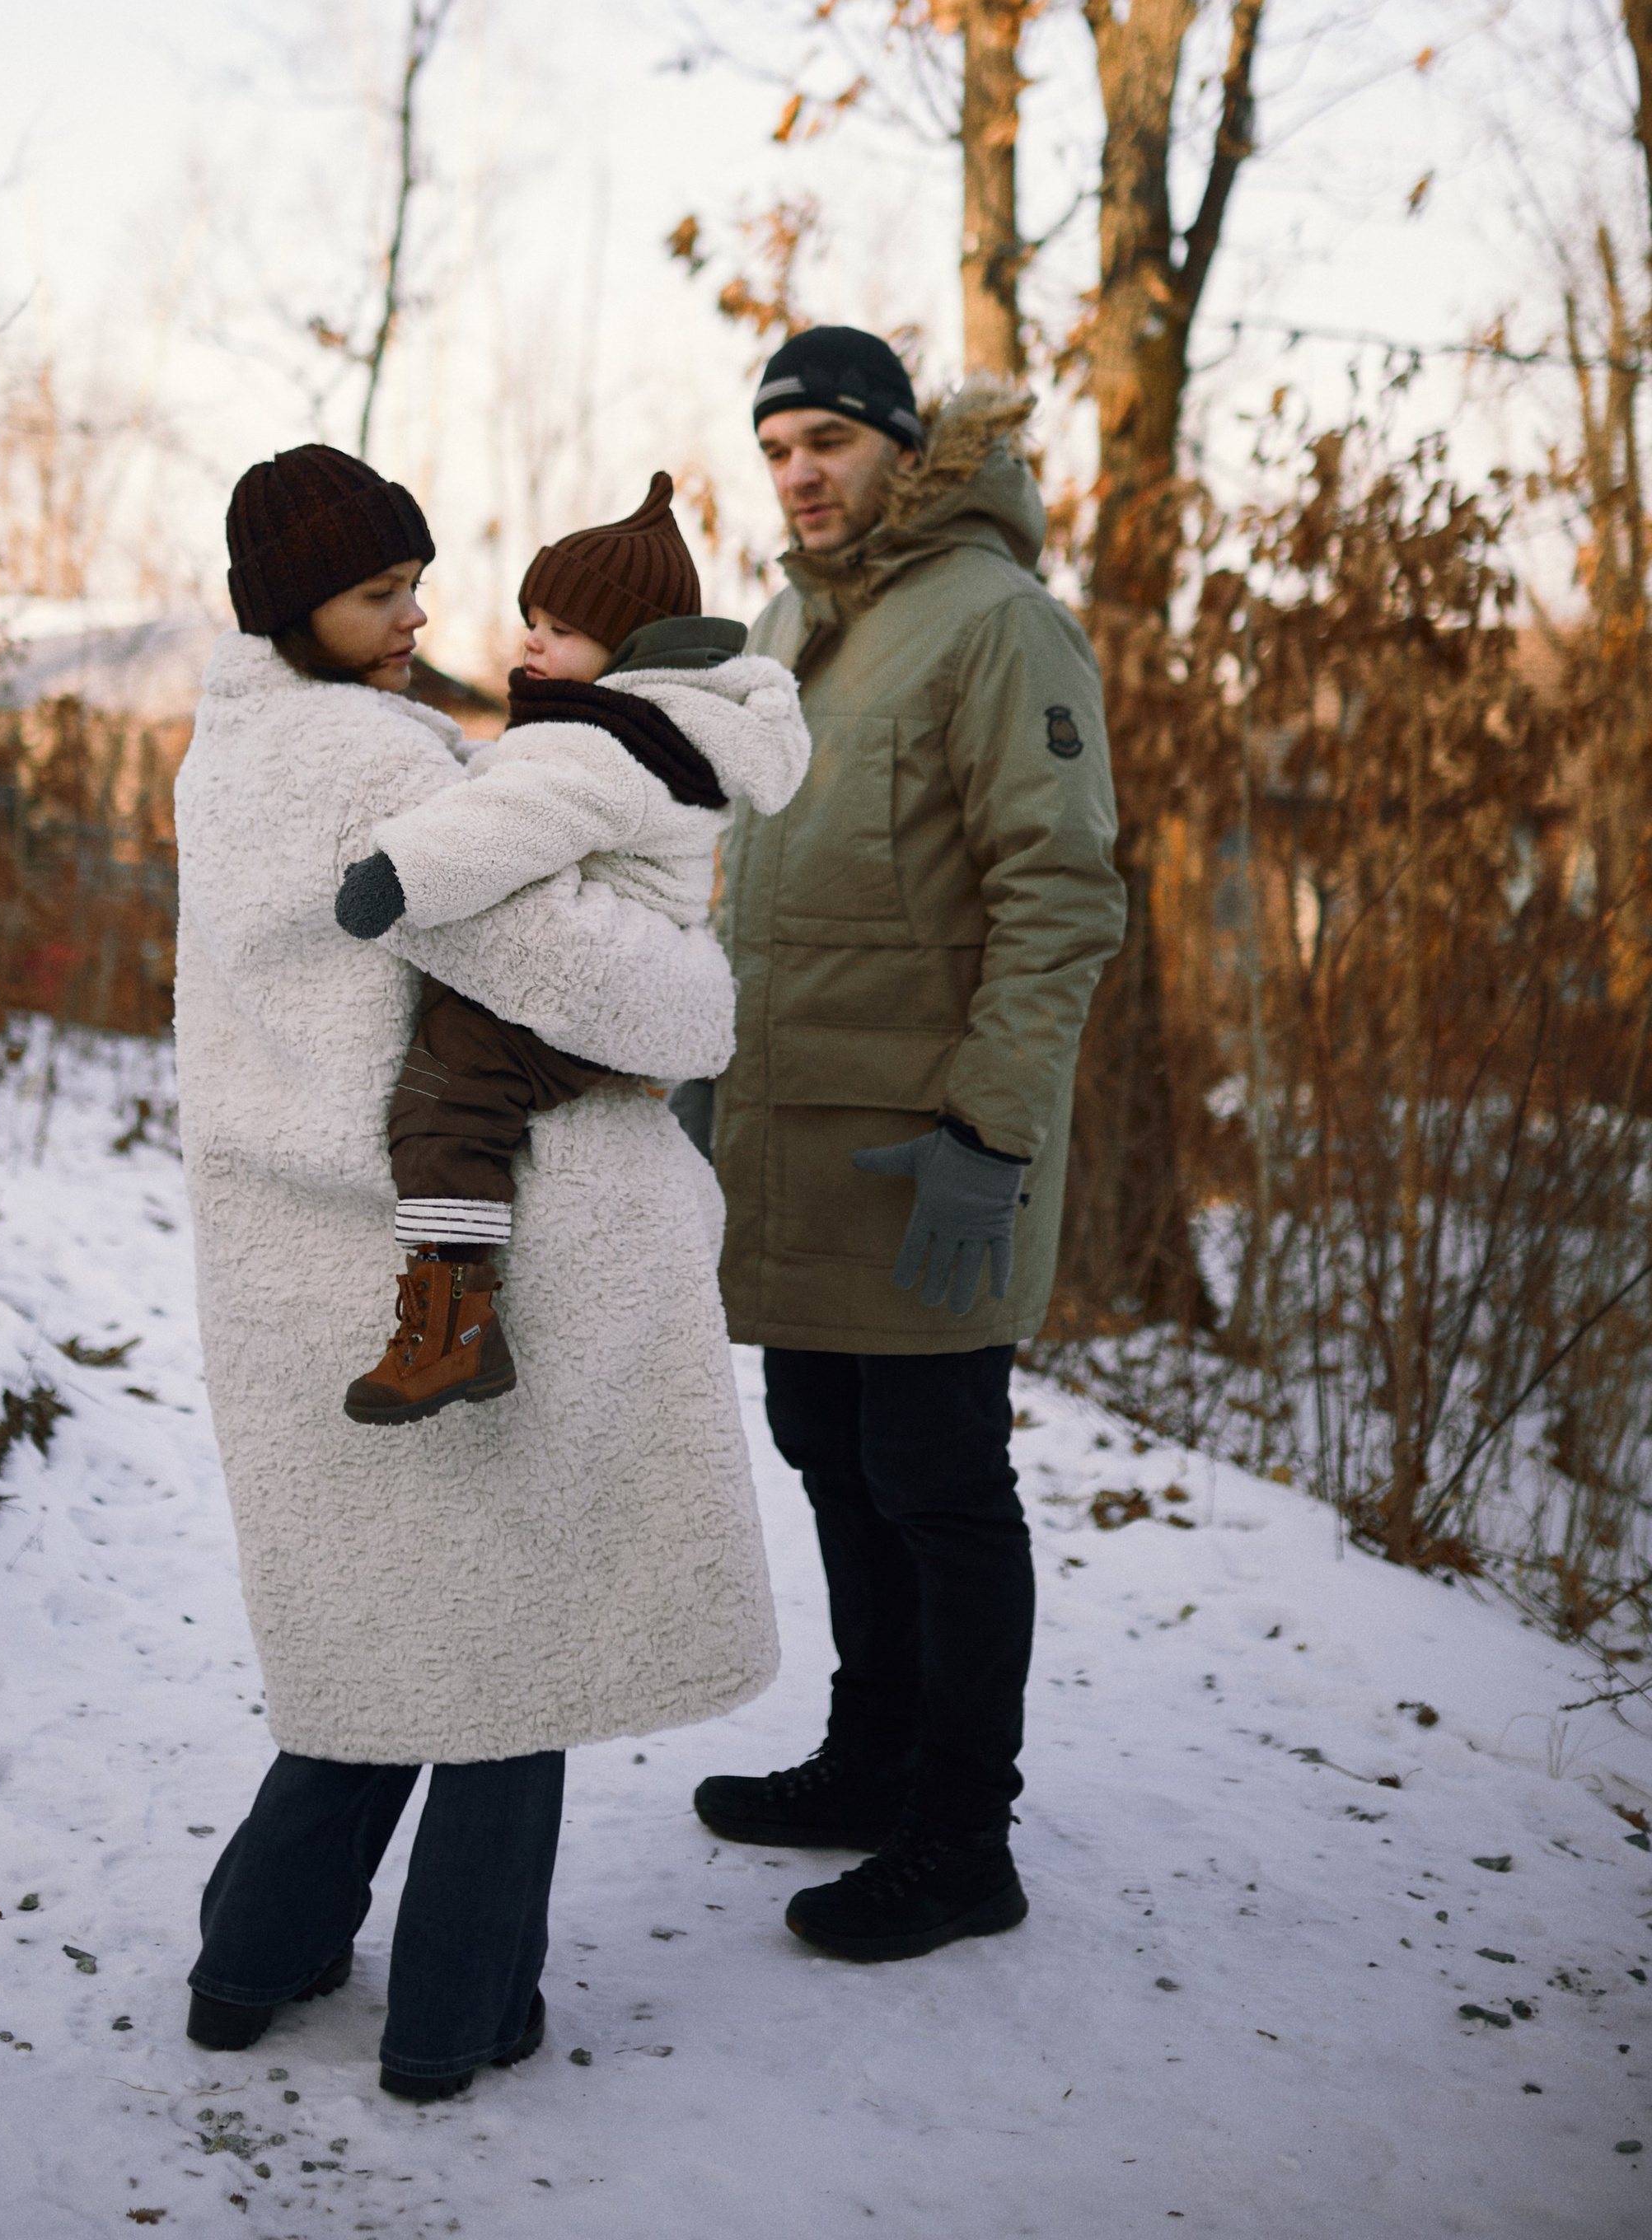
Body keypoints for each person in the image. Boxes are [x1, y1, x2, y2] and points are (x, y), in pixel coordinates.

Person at [171, 442, 778, 2102]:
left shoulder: (230, 753)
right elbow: (603, 986)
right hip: (470, 1261)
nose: (415, 618)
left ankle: (252, 1963)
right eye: (380, 593)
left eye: (415, 587)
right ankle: (457, 2018)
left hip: (309, 1256)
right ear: (293, 605)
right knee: (515, 1651)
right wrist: (698, 996)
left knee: (384, 1648)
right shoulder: (386, 771)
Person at [672, 326, 1127, 1965]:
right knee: (827, 1443)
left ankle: (959, 1836)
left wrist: (989, 1135)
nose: (797, 475)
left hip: (932, 1154)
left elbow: (1058, 894)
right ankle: (868, 1759)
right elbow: (761, 886)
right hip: (793, 1146)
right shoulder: (790, 626)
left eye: (828, 443)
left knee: (939, 1480)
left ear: (901, 450)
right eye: (774, 449)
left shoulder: (998, 622)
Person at [331, 472, 810, 1424]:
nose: (532, 641)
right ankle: (453, 1320)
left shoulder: (603, 746)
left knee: (445, 1098)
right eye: (531, 620)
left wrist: (398, 875)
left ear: (628, 645)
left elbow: (509, 820)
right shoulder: (660, 731)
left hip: (581, 992)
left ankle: (451, 1327)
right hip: (629, 991)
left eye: (560, 627)